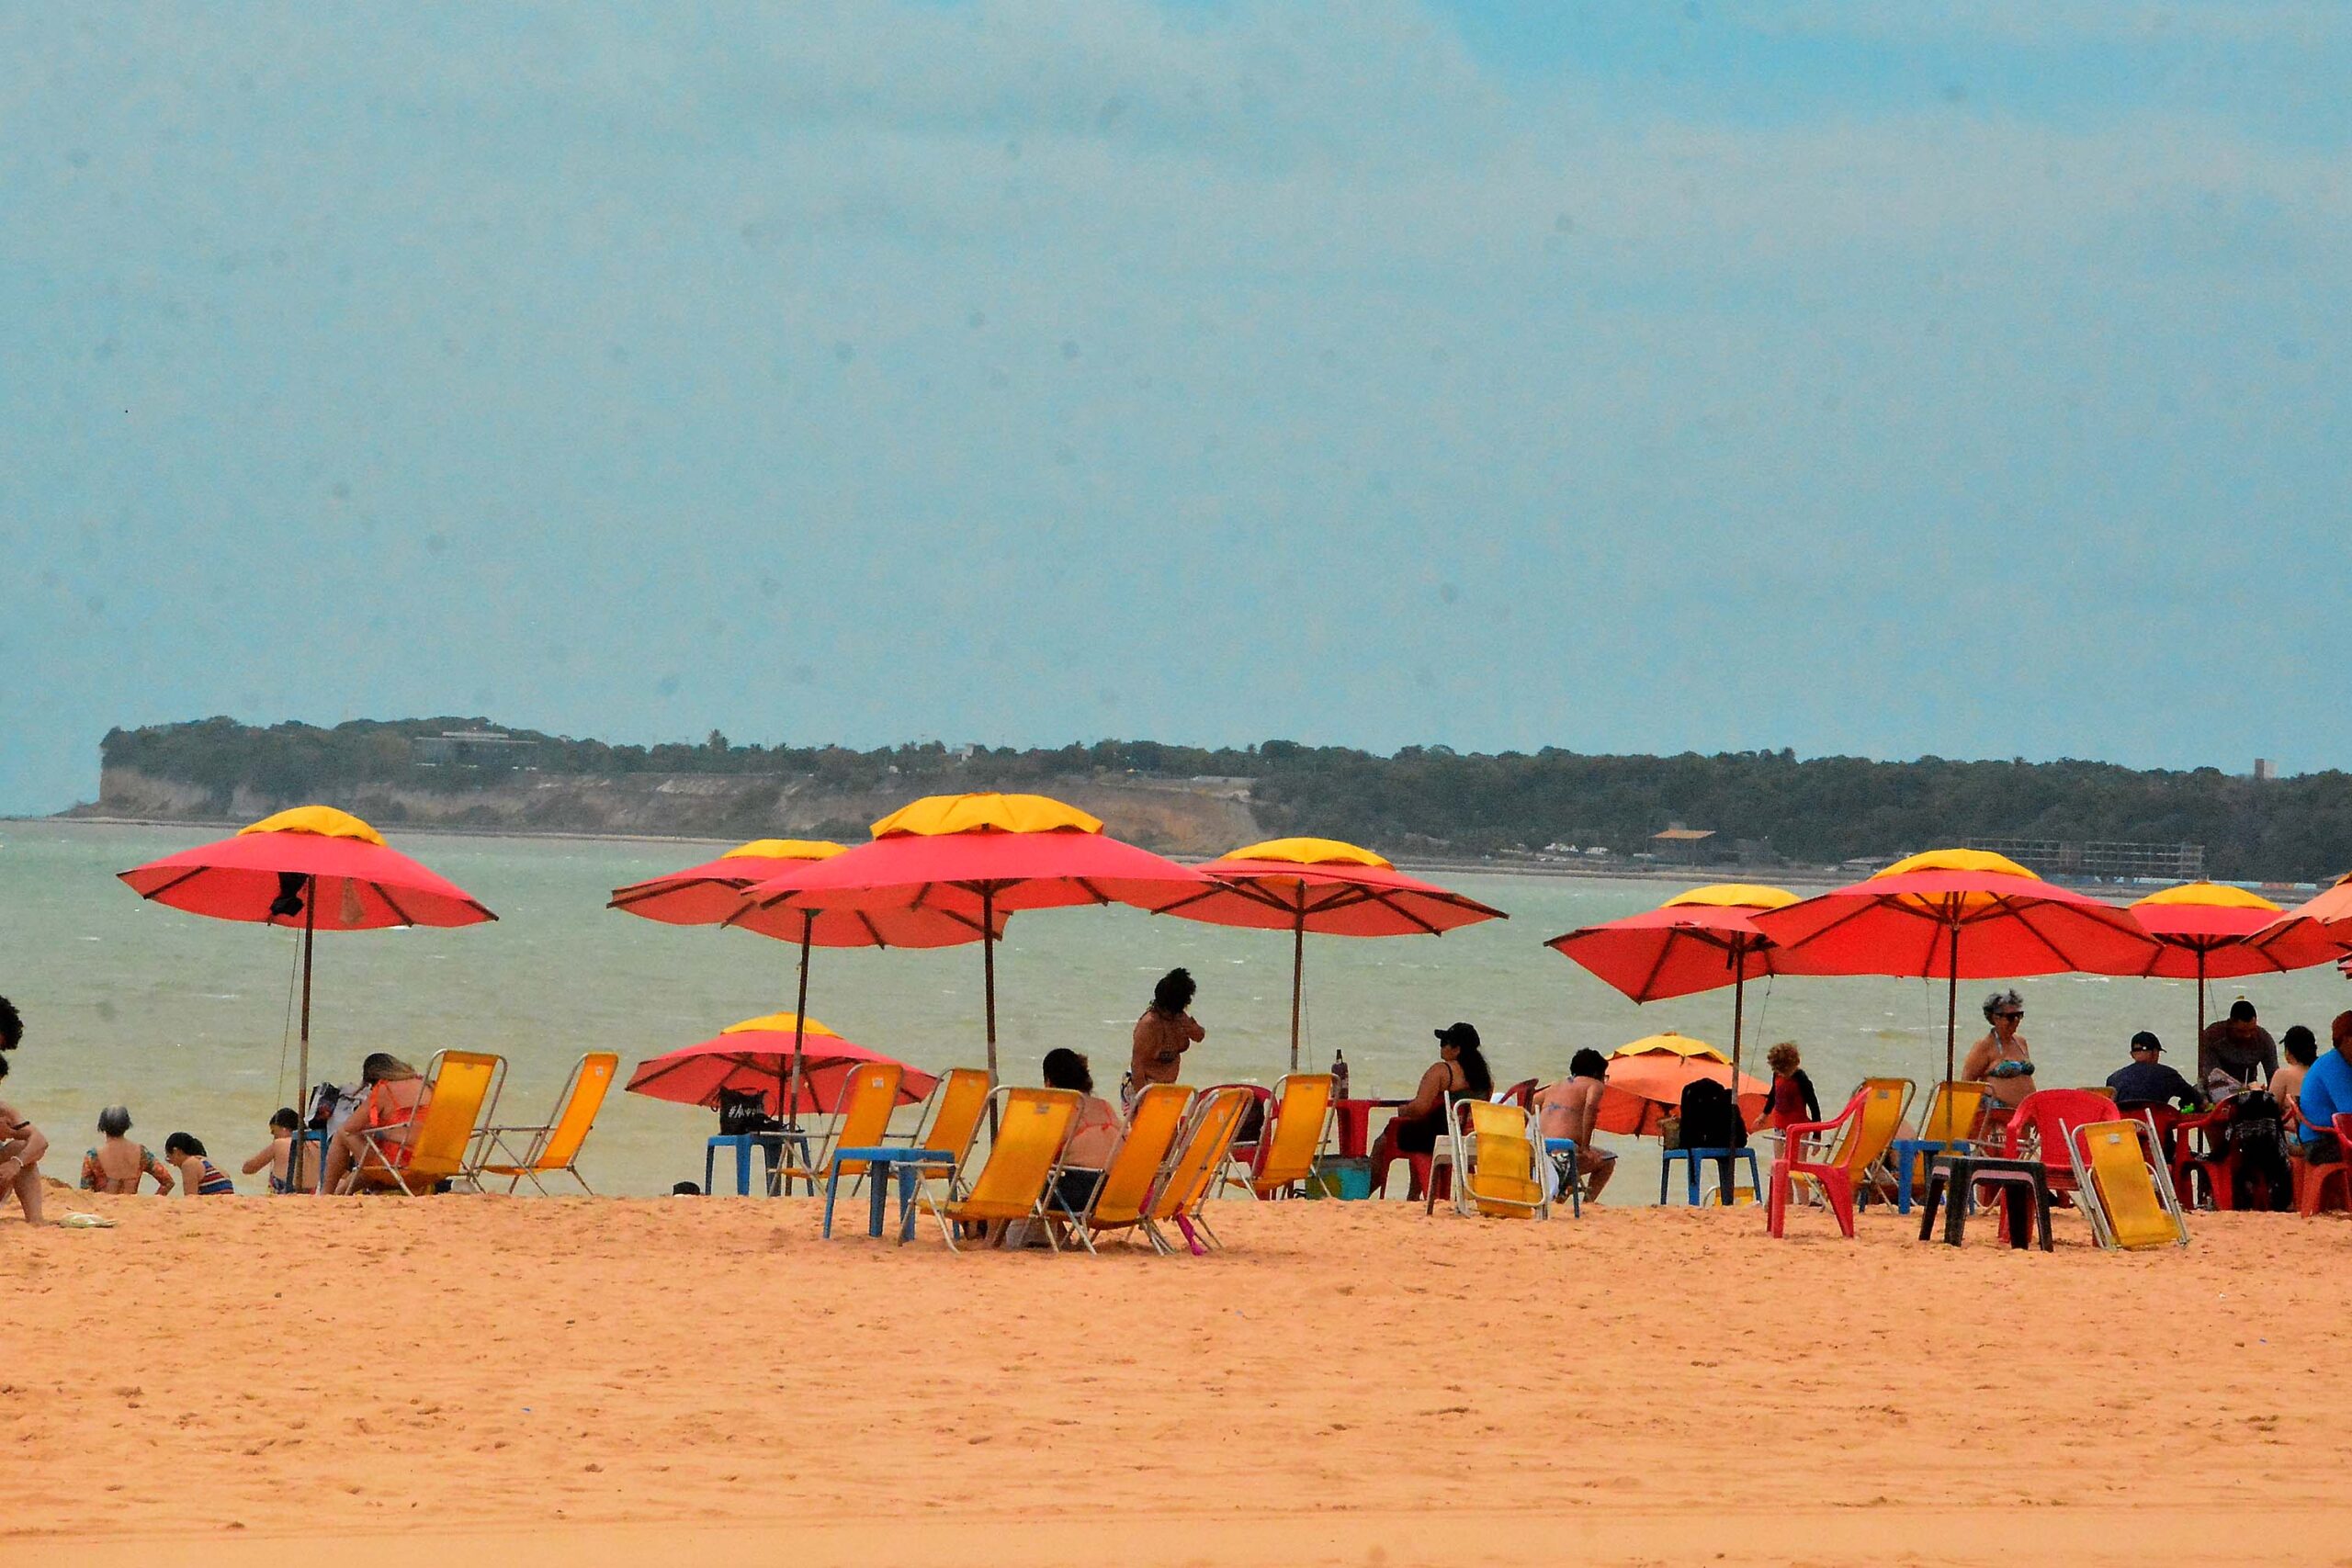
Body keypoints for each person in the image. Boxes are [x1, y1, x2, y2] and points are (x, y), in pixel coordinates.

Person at [1371, 1022, 1494, 1191]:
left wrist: (1403, 1109)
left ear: (1457, 1049)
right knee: (1418, 1131)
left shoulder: (1442, 1071)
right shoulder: (1486, 1080)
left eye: (1444, 1042)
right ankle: (1415, 1191)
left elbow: (1420, 1108)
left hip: (1438, 1139)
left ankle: (1367, 1188)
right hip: (1468, 1140)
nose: (1441, 1046)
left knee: (1385, 1139)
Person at [322, 1053, 426, 1193]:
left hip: (402, 1168)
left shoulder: (385, 1089)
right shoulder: (428, 1085)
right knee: (374, 1153)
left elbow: (351, 1127)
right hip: (433, 1166)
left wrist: (379, 1130)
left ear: (375, 1078)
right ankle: (340, 1193)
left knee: (342, 1133)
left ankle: (326, 1194)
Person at [1042, 1047, 1123, 1218]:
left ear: (1049, 1083)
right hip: (1117, 1193)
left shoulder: (1063, 1112)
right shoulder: (1105, 1106)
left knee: (1022, 1180)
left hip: (1082, 1196)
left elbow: (1040, 1159)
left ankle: (991, 1237)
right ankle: (1060, 1236)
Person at [1535, 1047, 1617, 1201]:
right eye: (1603, 1077)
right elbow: (1590, 1108)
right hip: (1564, 1155)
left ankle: (1563, 1193)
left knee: (1576, 1155)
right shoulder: (1594, 1085)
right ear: (1595, 1074)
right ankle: (1588, 1202)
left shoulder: (1555, 1086)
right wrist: (1585, 1148)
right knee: (1608, 1160)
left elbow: (1525, 1106)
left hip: (1539, 1153)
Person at [1127, 967, 1204, 1106]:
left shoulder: (1178, 1017)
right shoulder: (1149, 1024)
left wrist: (1187, 1023)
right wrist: (1144, 1101)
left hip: (1167, 1087)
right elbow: (1137, 1064)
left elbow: (1199, 1036)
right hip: (1142, 1086)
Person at [2290, 1011, 2352, 1162]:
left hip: (2332, 1136)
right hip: (2320, 1143)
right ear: (2348, 1040)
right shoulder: (2335, 1067)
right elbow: (2349, 1113)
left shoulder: (2342, 1062)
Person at [1961, 989, 2036, 1110]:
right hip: (1996, 1114)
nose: (2016, 1020)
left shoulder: (2021, 1042)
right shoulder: (1984, 1046)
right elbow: (1967, 1083)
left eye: (2019, 1015)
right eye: (2011, 1017)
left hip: (2023, 1113)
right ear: (1995, 1018)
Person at [80, 1106, 175, 1194]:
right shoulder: (142, 1152)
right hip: (132, 1207)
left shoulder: (92, 1156)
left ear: (102, 1126)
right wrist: (154, 1201)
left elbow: (85, 1192)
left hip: (103, 1209)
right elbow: (168, 1182)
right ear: (127, 1125)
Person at [0, 1051, 48, 1225]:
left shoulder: (3, 1110)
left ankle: (36, 1220)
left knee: (22, 1148)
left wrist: (16, 1162)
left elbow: (40, 1141)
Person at [2105, 1031, 2204, 1113]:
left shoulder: (2113, 1079)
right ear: (2155, 1052)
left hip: (2126, 1134)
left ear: (2132, 1054)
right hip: (2157, 1133)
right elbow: (2196, 1099)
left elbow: (2109, 1110)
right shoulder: (2168, 1075)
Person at [2198, 998, 2277, 1089]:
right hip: (2215, 1087)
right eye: (2241, 1031)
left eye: (2252, 1030)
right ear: (2230, 1023)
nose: (2247, 1035)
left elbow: (2273, 1075)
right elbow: (2212, 1074)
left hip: (2249, 1087)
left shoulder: (2264, 1039)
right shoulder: (2212, 1036)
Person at [1759, 1043, 1821, 1132]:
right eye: (1781, 1072)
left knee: (1795, 1146)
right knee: (1777, 1145)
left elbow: (1814, 1106)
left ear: (1797, 1063)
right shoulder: (1777, 1074)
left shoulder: (1802, 1080)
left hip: (1798, 1127)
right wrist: (1764, 1114)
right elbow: (1773, 1094)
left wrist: (1816, 1135)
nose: (1784, 1075)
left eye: (1786, 1072)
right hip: (1780, 1124)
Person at [243, 1108, 301, 1194]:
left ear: (284, 1129)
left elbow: (248, 1168)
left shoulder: (280, 1144)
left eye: (274, 1131)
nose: (274, 1136)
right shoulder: (315, 1144)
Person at [2275, 1026, 2318, 1134]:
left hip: (2298, 1139)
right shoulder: (2322, 1071)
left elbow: (2271, 1111)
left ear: (2288, 1051)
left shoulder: (2283, 1075)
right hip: (2325, 1136)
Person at [163, 1133, 236, 1196]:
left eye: (169, 1157)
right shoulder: (207, 1161)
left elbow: (190, 1198)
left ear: (176, 1151)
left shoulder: (189, 1164)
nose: (172, 1164)